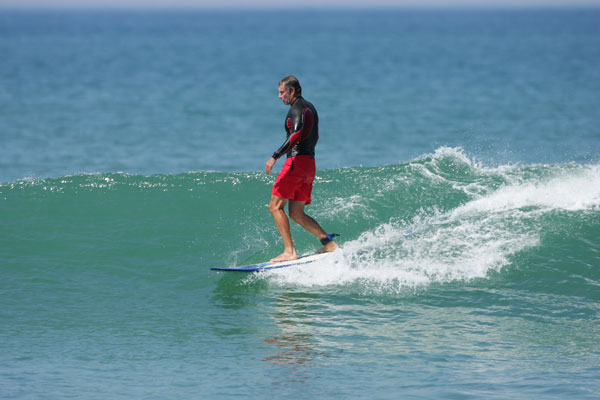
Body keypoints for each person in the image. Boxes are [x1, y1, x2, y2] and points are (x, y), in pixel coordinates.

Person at [265, 75, 339, 262]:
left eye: (282, 92)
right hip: (309, 164)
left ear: (292, 91)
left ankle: (289, 251)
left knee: (274, 207)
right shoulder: (310, 107)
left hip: (296, 163)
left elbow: (296, 135)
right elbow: (315, 136)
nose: (279, 96)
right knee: (296, 214)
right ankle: (329, 244)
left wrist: (275, 156)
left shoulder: (297, 108)